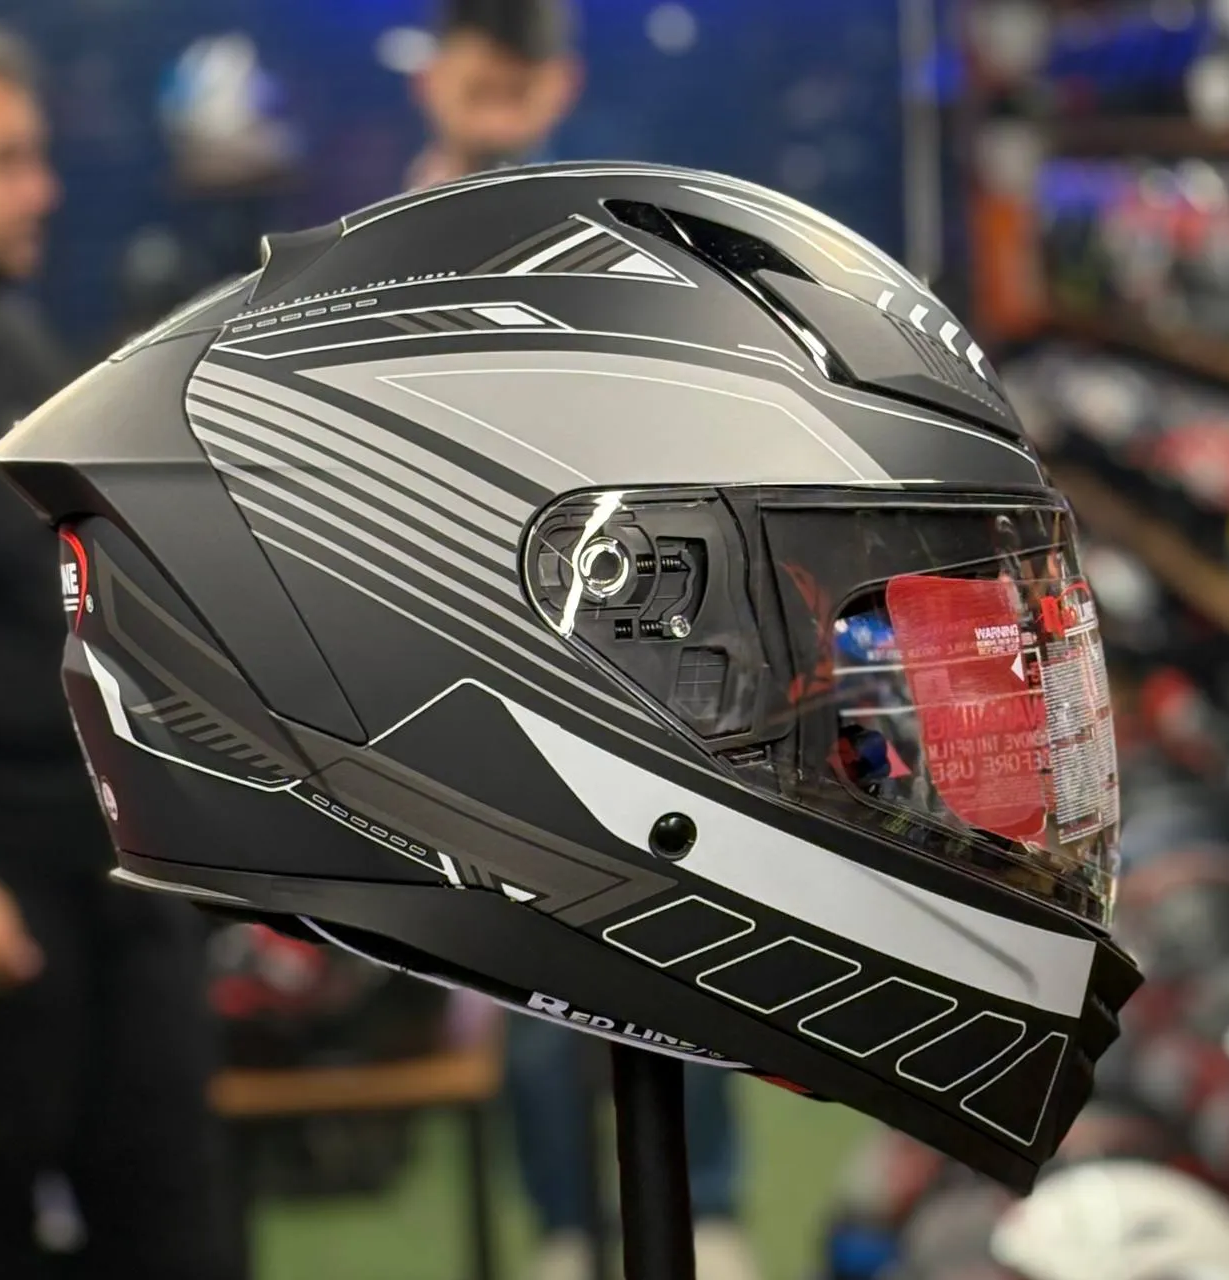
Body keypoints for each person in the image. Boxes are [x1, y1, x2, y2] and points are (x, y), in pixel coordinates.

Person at [406, 7, 758, 1279]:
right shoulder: (377, 246)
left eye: (518, 81)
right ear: (437, 73)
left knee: (680, 912)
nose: (496, 100)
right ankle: (566, 1223)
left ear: (555, 83)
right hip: (471, 637)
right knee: (523, 942)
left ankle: (707, 1208)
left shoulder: (606, 228)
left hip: (626, 628)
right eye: (477, 76)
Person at [0, 22, 233, 1279]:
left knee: (174, 1205)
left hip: (110, 860)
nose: (44, 189)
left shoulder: (11, 342)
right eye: (4, 160)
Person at [405, 0, 583, 189]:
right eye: (478, 94)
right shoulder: (381, 191)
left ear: (563, 86)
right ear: (427, 78)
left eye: (518, 94)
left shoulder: (599, 199)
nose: (497, 123)